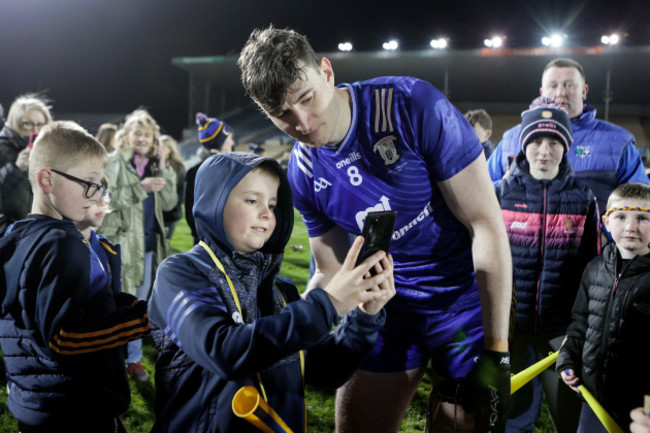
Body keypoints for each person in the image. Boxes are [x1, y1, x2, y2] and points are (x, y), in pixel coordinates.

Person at [238, 25, 513, 433]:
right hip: (385, 312)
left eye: (307, 97)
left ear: (327, 73)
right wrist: (295, 331)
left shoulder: (411, 105)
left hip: (461, 306)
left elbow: (485, 226)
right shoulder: (302, 169)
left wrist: (497, 349)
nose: (303, 122)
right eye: (281, 114)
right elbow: (330, 269)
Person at [149, 152, 395, 432]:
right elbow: (223, 351)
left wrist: (364, 317)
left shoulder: (281, 290)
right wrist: (328, 303)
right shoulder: (179, 273)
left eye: (273, 203)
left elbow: (327, 371)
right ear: (213, 202)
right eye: (253, 201)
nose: (267, 213)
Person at [0, 121, 150, 432]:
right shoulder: (61, 245)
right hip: (75, 408)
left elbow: (70, 305)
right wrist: (145, 318)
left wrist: (124, 304)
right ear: (47, 181)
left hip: (40, 403)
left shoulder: (20, 234)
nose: (96, 195)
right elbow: (66, 338)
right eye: (89, 183)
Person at [495, 97, 600, 433]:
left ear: (565, 147)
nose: (544, 150)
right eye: (536, 140)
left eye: (553, 141)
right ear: (524, 144)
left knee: (567, 411)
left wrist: (581, 327)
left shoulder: (583, 198)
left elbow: (594, 267)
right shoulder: (498, 195)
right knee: (510, 409)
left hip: (562, 329)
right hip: (511, 325)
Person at [487, 58, 650, 213]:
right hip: (520, 241)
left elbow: (641, 201)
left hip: (595, 241)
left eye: (569, 85)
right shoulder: (511, 139)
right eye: (553, 85)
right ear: (542, 92)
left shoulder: (618, 142)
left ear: (584, 91)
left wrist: (605, 233)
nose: (560, 92)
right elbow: (482, 193)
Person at [557, 182, 650, 432]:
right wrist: (567, 359)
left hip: (639, 409)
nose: (630, 227)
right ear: (606, 223)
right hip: (593, 397)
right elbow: (580, 324)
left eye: (643, 218)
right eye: (621, 216)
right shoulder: (594, 269)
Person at [99, 108, 177, 382]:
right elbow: (103, 198)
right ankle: (108, 360)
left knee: (137, 305)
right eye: (138, 133)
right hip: (117, 246)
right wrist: (139, 189)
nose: (143, 138)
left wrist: (165, 167)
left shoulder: (155, 166)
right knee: (112, 306)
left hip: (146, 248)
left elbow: (168, 203)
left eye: (148, 134)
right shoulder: (112, 162)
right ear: (126, 135)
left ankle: (133, 360)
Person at [0, 93, 53, 233]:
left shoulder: (48, 151)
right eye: (28, 123)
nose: (35, 130)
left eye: (40, 124)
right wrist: (16, 169)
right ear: (15, 122)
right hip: (8, 230)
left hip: (38, 228)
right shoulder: (2, 148)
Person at [185, 112, 234, 244]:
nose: (232, 142)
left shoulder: (193, 172)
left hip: (203, 242)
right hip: (220, 243)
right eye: (229, 138)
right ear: (221, 142)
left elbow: (190, 216)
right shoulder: (232, 171)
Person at [160, 135, 186, 242]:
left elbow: (181, 193)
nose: (159, 150)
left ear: (170, 149)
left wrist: (172, 207)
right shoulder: (152, 164)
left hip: (171, 214)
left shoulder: (178, 167)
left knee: (165, 242)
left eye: (163, 147)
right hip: (156, 213)